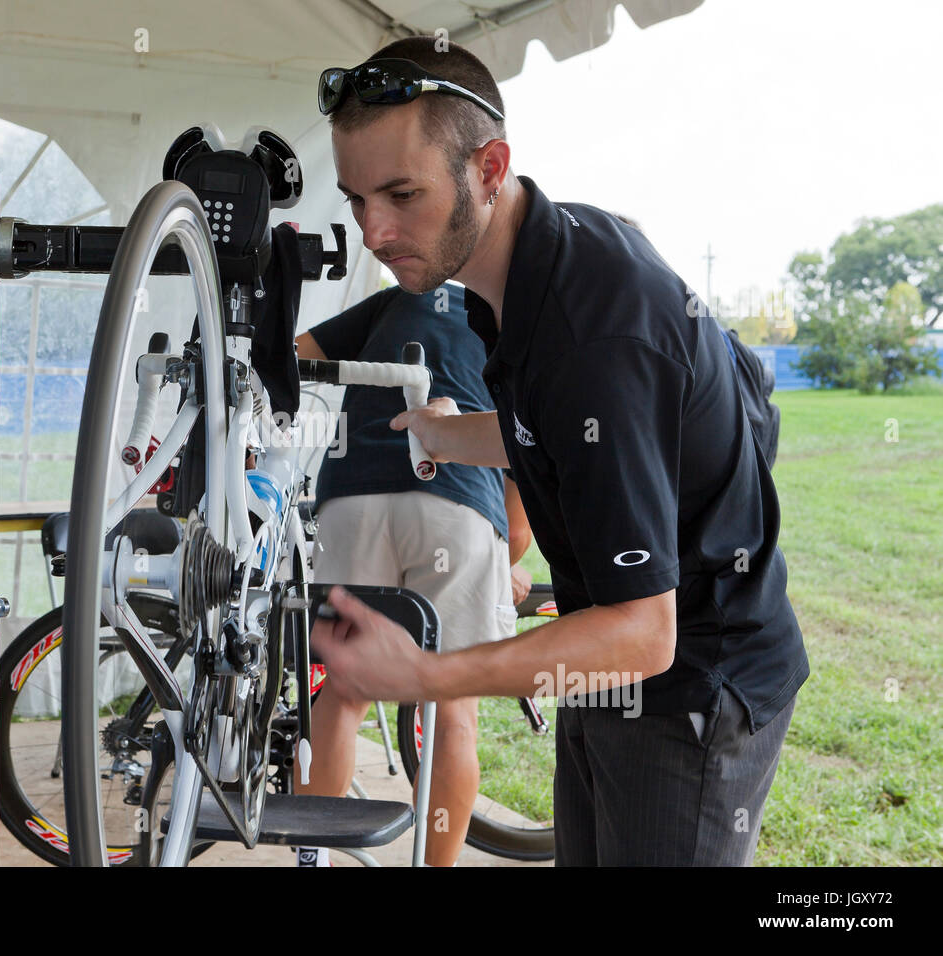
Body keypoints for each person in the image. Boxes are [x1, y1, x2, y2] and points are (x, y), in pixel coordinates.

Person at [309, 37, 808, 865]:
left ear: (489, 166)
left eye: (402, 193)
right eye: (357, 200)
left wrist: (432, 675)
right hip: (600, 663)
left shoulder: (593, 323)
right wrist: (444, 433)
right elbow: (573, 434)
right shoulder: (514, 275)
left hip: (693, 681)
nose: (375, 231)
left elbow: (647, 632)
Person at [292, 281, 534, 867]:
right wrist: (505, 561)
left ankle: (312, 859)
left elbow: (292, 353)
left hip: (353, 499)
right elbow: (526, 457)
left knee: (344, 694)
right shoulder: (511, 320)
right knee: (452, 709)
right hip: (458, 500)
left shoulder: (392, 301)